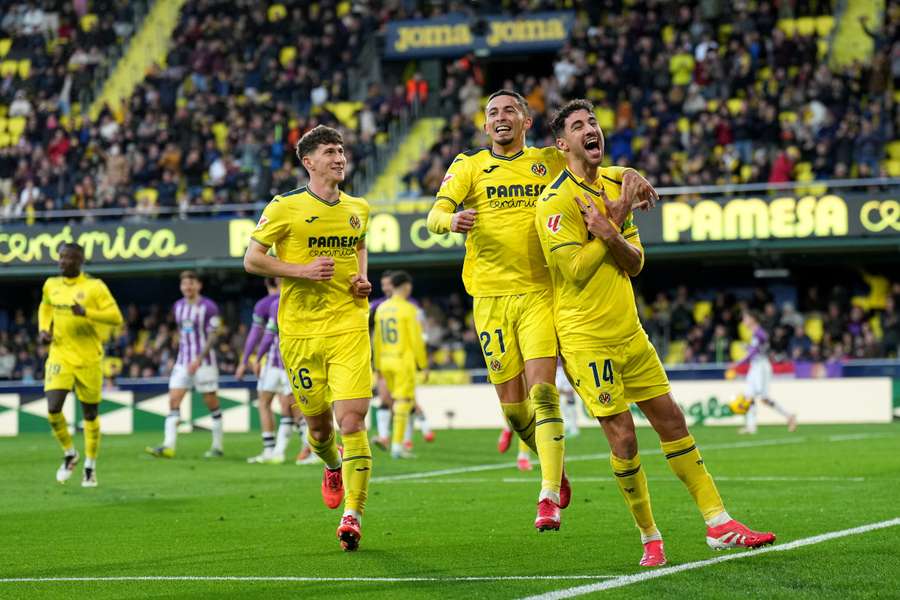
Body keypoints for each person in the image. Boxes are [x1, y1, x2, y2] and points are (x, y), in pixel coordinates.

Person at [535, 99, 775, 567]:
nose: (592, 129)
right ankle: (650, 535)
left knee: (673, 421)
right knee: (623, 439)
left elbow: (636, 261)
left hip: (630, 333)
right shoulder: (555, 201)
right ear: (563, 144)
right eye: (579, 125)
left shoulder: (614, 184)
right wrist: (610, 226)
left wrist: (614, 224)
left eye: (594, 122)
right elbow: (575, 270)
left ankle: (719, 522)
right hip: (585, 339)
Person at [427, 89, 572, 531]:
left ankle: (547, 494)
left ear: (526, 121)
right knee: (513, 410)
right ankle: (554, 461)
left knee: (543, 392)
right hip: (489, 301)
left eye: (510, 110)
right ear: (486, 125)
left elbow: (596, 171)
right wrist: (450, 221)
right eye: (492, 112)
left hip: (539, 293)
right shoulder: (468, 166)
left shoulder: (549, 162)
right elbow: (435, 213)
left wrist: (629, 176)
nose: (500, 117)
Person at [244, 125, 373, 551]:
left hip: (348, 325)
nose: (339, 157)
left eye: (342, 150)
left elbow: (358, 246)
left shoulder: (358, 208)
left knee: (351, 420)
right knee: (318, 429)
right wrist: (300, 271)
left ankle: (352, 513)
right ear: (309, 162)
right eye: (330, 152)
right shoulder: (285, 208)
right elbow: (252, 260)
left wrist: (362, 280)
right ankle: (332, 464)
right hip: (299, 332)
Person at [39, 243, 123, 487]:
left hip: (89, 358)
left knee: (90, 414)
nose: (63, 262)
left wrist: (86, 311)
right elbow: (45, 307)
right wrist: (44, 329)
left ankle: (90, 465)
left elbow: (116, 317)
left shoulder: (94, 287)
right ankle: (69, 453)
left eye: (69, 258)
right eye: (61, 257)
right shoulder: (50, 285)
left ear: (80, 261)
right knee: (53, 408)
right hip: (60, 354)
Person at [146, 271, 224, 459]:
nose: (188, 287)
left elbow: (214, 334)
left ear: (199, 286)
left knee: (211, 403)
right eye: (184, 284)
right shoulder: (178, 306)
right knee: (173, 400)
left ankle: (217, 446)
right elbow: (182, 332)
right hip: (182, 362)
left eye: (191, 284)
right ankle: (168, 446)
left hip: (204, 363)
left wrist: (198, 358)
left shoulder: (209, 306)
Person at [372, 271, 428, 459]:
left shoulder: (382, 309)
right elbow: (416, 340)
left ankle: (390, 438)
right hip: (402, 360)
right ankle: (397, 446)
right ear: (406, 286)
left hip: (385, 360)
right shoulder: (408, 309)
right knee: (404, 402)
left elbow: (376, 339)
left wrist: (377, 365)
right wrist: (423, 364)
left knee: (392, 401)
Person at [254, 293, 315, 464]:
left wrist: (257, 358)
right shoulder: (307, 299)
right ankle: (278, 452)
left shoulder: (276, 304)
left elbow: (268, 336)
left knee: (295, 408)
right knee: (289, 407)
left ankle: (313, 450)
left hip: (288, 363)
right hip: (299, 361)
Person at [729, 311, 797, 434]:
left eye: (745, 318)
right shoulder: (757, 333)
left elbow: (755, 352)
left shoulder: (758, 333)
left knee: (763, 398)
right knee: (749, 396)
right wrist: (748, 348)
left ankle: (789, 416)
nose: (743, 321)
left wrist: (738, 363)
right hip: (755, 366)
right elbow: (759, 349)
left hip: (761, 366)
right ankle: (751, 427)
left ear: (753, 319)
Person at [235, 278, 281, 462]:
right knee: (293, 407)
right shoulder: (297, 296)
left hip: (274, 361)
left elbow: (257, 333)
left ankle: (271, 450)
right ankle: (308, 450)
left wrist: (246, 360)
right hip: (299, 360)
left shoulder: (265, 304)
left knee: (265, 403)